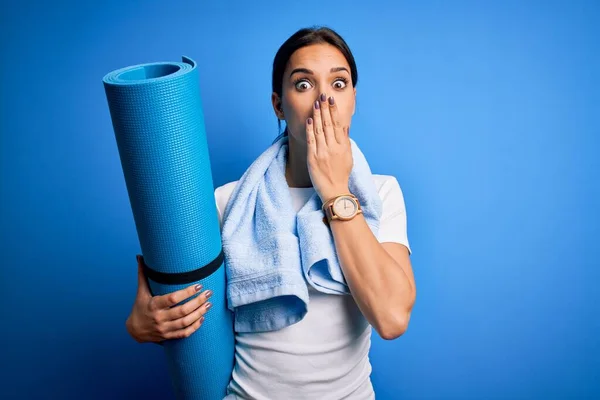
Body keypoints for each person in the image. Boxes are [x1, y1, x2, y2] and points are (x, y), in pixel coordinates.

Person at [125, 26, 416, 399]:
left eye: (339, 84)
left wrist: (335, 190)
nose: (324, 99)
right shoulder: (229, 203)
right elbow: (178, 314)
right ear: (279, 105)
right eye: (304, 84)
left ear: (354, 100)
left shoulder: (380, 194)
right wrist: (140, 326)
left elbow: (392, 318)